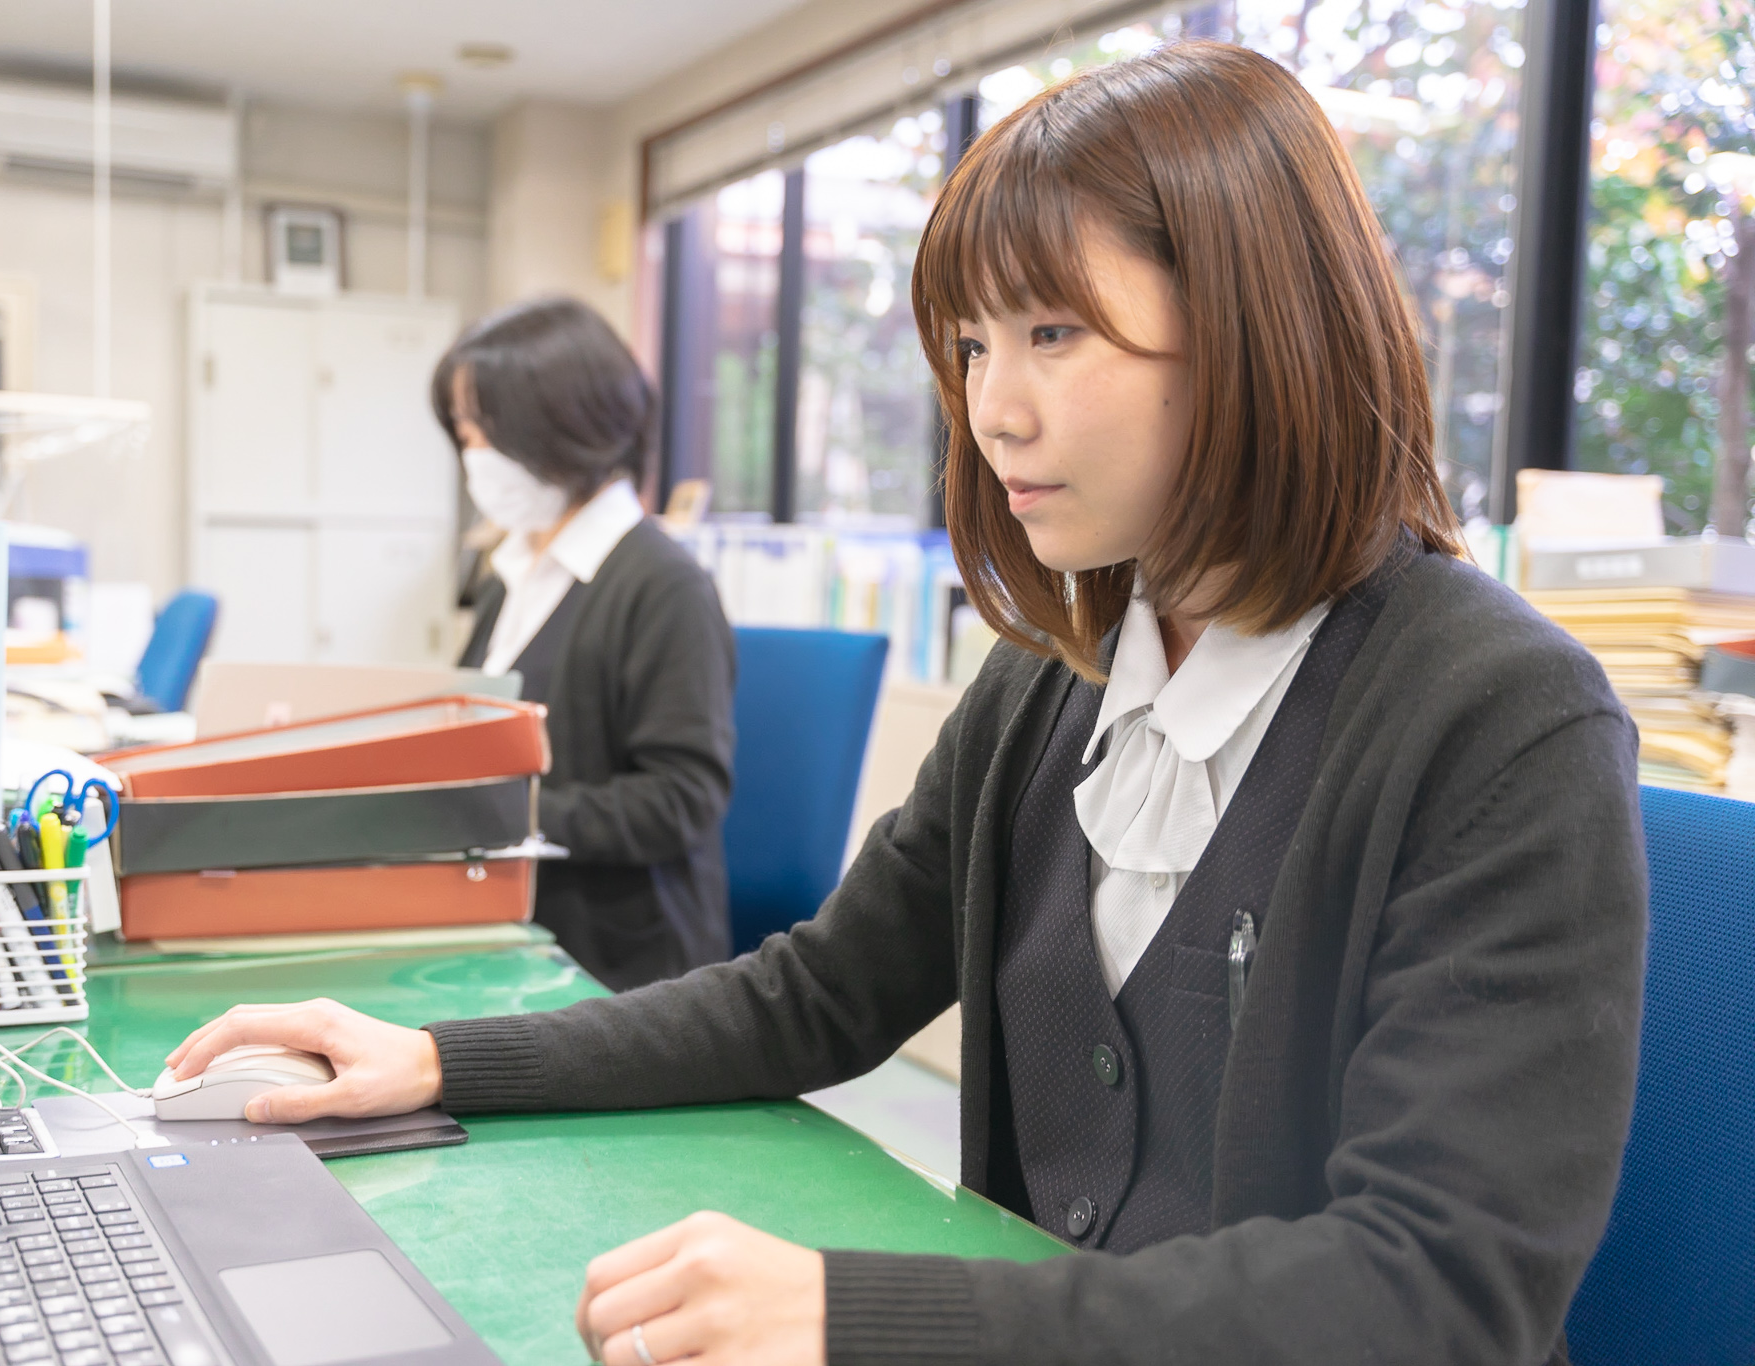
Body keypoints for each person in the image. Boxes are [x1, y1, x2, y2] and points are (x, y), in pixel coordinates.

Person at [165, 43, 1645, 1366]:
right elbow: (820, 993)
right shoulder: (1053, 673)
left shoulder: (1500, 718)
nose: (994, 408)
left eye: (1055, 335)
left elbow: (1439, 1296)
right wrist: (433, 1058)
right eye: (975, 345)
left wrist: (854, 1315)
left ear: (1263, 332)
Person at [437, 297, 737, 990]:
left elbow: (680, 799)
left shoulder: (664, 587)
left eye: (482, 430)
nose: (471, 454)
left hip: (617, 968)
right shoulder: (508, 574)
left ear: (560, 428)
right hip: (512, 930)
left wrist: (506, 812)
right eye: (463, 430)